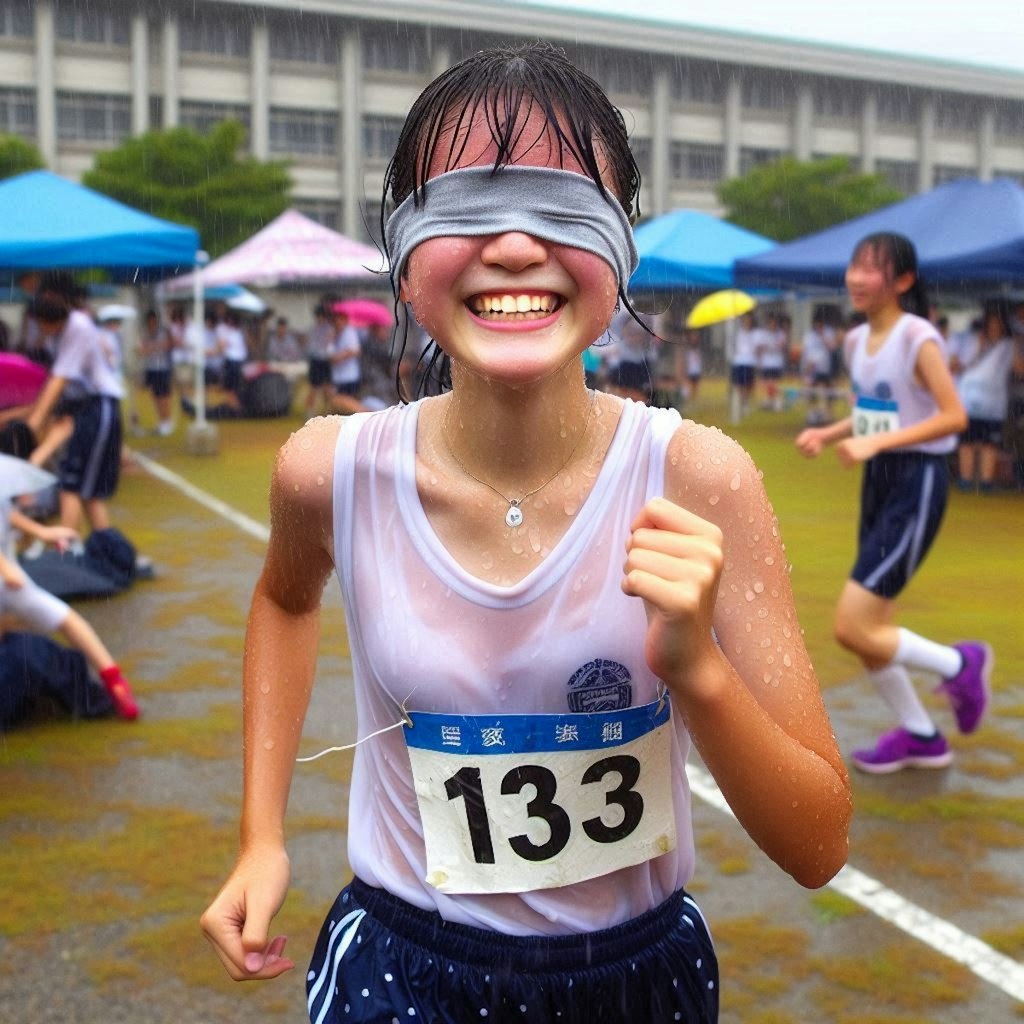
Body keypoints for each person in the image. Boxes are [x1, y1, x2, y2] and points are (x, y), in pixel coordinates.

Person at [201, 43, 851, 1023]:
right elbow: (285, 598)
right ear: (403, 257)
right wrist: (261, 834)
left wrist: (699, 670)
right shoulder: (328, 469)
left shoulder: (697, 476)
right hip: (400, 963)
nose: (512, 247)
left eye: (561, 206)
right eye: (463, 208)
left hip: (636, 976)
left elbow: (817, 845)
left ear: (620, 246)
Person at [795, 232, 991, 774]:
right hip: (878, 480)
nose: (856, 277)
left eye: (872, 268)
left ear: (903, 281)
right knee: (871, 631)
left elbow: (953, 416)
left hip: (917, 481)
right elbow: (877, 411)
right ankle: (922, 735)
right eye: (854, 266)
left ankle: (961, 663)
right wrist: (831, 433)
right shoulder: (857, 341)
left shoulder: (916, 336)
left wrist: (874, 443)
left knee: (853, 626)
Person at [0, 450, 138, 720]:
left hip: (9, 582)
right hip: (9, 579)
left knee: (68, 620)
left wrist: (42, 532)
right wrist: (7, 569)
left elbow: (8, 515)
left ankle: (115, 682)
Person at [25, 294, 125, 536]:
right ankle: (103, 547)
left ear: (49, 319)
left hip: (98, 406)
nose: (38, 329)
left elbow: (59, 380)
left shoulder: (77, 327)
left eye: (39, 323)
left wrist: (31, 425)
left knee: (74, 486)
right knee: (85, 490)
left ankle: (68, 550)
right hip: (78, 407)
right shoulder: (57, 333)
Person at [955, 304, 1024, 492]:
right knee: (967, 441)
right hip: (968, 398)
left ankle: (985, 481)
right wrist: (979, 348)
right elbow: (958, 365)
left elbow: (1019, 369)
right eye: (991, 323)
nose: (994, 327)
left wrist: (1017, 345)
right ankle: (965, 479)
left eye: (997, 323)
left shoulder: (1009, 346)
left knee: (989, 443)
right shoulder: (972, 340)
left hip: (993, 402)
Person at [139, 309, 176, 436]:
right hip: (151, 368)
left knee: (164, 396)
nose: (151, 323)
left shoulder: (163, 332)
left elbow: (170, 344)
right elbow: (143, 349)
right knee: (156, 396)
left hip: (163, 368)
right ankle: (161, 421)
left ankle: (167, 421)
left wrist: (153, 347)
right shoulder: (146, 333)